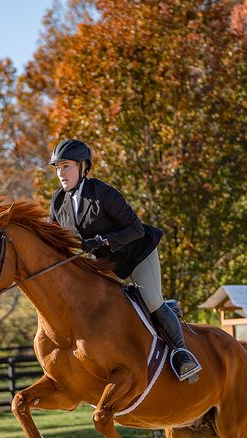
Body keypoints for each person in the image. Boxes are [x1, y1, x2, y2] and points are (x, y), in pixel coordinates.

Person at [47, 138, 200, 381]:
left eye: (66, 166)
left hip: (136, 254)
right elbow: (51, 237)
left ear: (83, 166)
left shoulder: (103, 193)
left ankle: (182, 353)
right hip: (103, 266)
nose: (61, 173)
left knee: (151, 301)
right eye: (57, 168)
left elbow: (135, 229)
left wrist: (100, 241)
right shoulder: (58, 201)